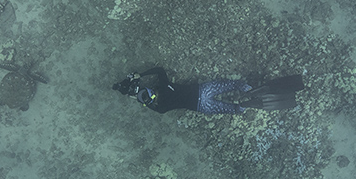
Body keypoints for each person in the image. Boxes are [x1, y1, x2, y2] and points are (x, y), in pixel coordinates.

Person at [112, 67, 305, 114]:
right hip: (202, 91)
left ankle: (248, 102)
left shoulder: (161, 107)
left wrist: (142, 101)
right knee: (235, 85)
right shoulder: (162, 86)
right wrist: (140, 75)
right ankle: (250, 91)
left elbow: (156, 109)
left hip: (201, 106)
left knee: (235, 109)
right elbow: (160, 70)